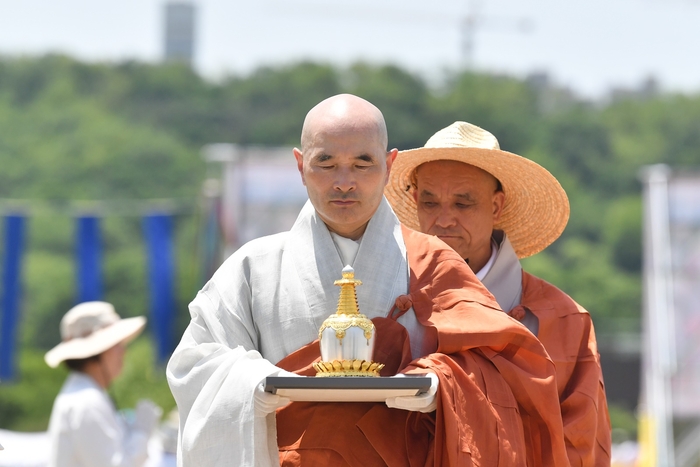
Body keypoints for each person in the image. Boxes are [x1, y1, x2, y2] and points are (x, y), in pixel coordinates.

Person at [167, 94, 570, 466]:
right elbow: (196, 364)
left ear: (389, 165)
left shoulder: (433, 263)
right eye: (325, 163)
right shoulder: (253, 267)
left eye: (363, 163)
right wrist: (259, 384)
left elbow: (496, 365)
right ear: (299, 165)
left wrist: (437, 385)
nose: (344, 181)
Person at [385, 120, 612, 466]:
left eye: (462, 204)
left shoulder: (562, 320)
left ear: (496, 206)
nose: (444, 220)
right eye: (430, 203)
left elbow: (582, 448)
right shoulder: (392, 303)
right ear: (415, 201)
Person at [45, 301, 162, 467]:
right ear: (98, 353)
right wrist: (141, 433)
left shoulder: (84, 395)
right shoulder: (87, 402)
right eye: (117, 344)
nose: (123, 351)